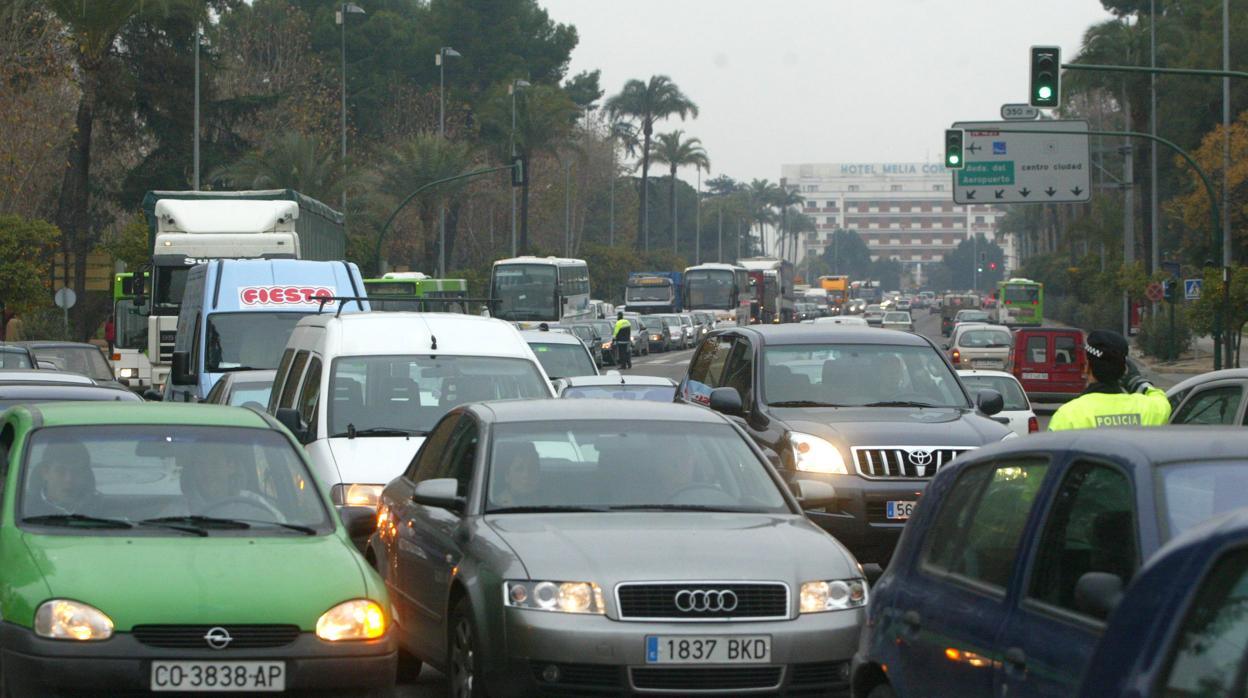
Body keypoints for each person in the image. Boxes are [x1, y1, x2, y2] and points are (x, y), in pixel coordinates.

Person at [1048, 329, 1171, 431]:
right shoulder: (1148, 408)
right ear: (1124, 369)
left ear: (1087, 367)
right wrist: (1136, 381)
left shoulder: (1068, 416)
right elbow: (1162, 400)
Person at [178, 449, 286, 521]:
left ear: (231, 467)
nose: (207, 473)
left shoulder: (255, 503)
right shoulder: (179, 510)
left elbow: (283, 528)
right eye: (201, 465)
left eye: (215, 464)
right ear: (193, 470)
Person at [31, 442, 96, 515]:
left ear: (85, 475)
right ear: (45, 473)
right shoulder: (25, 509)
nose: (69, 479)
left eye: (76, 471)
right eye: (60, 471)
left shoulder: (103, 508)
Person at [491, 442, 541, 508]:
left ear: (538, 474)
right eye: (519, 469)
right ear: (507, 475)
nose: (526, 475)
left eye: (532, 468)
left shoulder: (550, 502)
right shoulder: (496, 505)